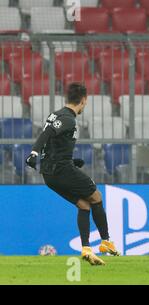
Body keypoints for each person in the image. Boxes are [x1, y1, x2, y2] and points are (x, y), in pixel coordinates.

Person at [25, 83, 119, 266]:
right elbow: (46, 134)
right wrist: (34, 153)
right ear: (83, 101)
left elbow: (52, 142)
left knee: (84, 204)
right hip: (60, 170)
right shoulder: (68, 119)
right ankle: (106, 241)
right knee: (96, 196)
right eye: (86, 102)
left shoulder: (55, 114)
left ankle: (86, 249)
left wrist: (72, 161)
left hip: (50, 174)